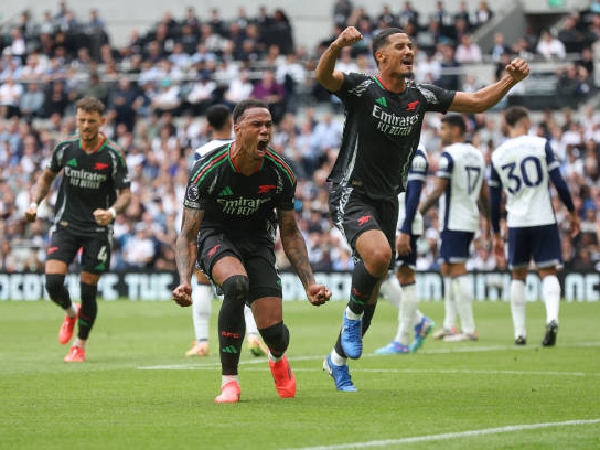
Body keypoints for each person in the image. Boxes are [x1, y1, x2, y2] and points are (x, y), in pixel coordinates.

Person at [314, 26, 528, 392]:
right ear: (380, 56)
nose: (409, 50)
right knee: (379, 258)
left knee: (371, 291)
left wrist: (508, 81)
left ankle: (336, 361)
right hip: (353, 191)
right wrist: (336, 45)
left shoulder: (422, 95)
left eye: (411, 46)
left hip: (388, 199)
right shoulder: (362, 88)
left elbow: (476, 102)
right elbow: (323, 76)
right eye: (400, 46)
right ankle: (350, 319)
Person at [172, 98, 331, 403]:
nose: (264, 131)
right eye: (256, 124)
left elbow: (290, 232)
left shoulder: (281, 172)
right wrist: (185, 280)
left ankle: (277, 359)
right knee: (236, 284)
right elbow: (188, 234)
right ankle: (230, 382)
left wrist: (309, 283)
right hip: (215, 236)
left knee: (275, 334)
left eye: (268, 125)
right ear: (237, 129)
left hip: (258, 241)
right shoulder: (207, 171)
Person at [24, 96, 131, 362]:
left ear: (102, 122)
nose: (85, 126)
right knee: (52, 282)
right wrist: (34, 204)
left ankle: (80, 346)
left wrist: (112, 212)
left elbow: (126, 193)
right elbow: (46, 177)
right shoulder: (65, 149)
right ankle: (71, 313)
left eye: (91, 121)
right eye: (81, 120)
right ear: (76, 120)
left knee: (88, 287)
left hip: (98, 229)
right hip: (66, 224)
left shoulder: (113, 155)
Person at [489, 106, 580, 346]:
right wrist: (572, 212)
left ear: (507, 124)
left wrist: (496, 233)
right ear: (526, 121)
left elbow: (495, 198)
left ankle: (520, 333)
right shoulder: (541, 145)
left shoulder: (498, 154)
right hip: (543, 217)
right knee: (548, 272)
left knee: (518, 274)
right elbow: (558, 182)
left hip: (516, 221)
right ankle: (551, 319)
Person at [186, 104, 268, 358]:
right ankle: (254, 335)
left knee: (205, 281)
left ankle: (201, 341)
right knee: (245, 281)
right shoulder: (247, 148)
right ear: (235, 125)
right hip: (250, 223)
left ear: (208, 125)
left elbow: (194, 190)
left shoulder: (203, 152)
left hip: (214, 227)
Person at [420, 114, 489, 342]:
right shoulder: (477, 154)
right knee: (448, 268)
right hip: (469, 217)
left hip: (454, 219)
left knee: (457, 269)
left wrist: (418, 211)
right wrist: (489, 222)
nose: (441, 132)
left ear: (457, 130)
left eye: (444, 128)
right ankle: (450, 325)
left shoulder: (449, 155)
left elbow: (439, 190)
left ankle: (469, 329)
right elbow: (484, 194)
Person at [376, 143, 435, 354]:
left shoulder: (416, 151)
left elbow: (414, 193)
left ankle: (402, 340)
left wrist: (406, 228)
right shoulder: (397, 143)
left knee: (404, 277)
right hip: (391, 221)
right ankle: (419, 323)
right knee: (384, 276)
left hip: (403, 224)